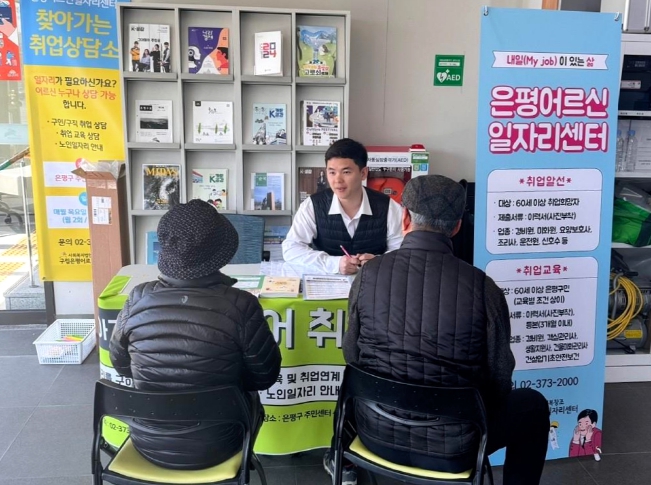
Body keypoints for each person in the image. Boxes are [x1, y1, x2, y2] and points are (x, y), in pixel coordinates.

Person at [323, 175, 550, 485]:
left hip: (374, 432)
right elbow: (499, 377)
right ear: (457, 227)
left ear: (405, 217)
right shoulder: (484, 288)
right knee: (532, 405)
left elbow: (352, 353)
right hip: (457, 449)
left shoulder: (368, 274)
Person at [109, 199, 281, 470]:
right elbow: (264, 376)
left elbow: (121, 365)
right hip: (220, 443)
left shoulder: (138, 297)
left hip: (149, 443)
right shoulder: (241, 304)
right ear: (221, 252)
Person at [282, 138, 403, 275]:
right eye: (332, 172)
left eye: (346, 172)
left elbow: (402, 252)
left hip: (374, 283)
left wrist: (379, 262)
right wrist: (334, 263)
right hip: (326, 283)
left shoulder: (389, 207)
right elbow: (291, 248)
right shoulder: (313, 205)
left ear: (363, 173)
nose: (337, 180)